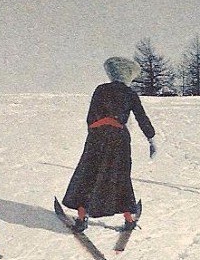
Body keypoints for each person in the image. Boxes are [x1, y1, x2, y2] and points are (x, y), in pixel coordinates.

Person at [62, 56, 156, 233]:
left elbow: (91, 117)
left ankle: (82, 218)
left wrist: (95, 134)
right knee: (120, 176)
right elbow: (141, 117)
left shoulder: (100, 89)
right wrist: (151, 138)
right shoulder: (130, 93)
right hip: (119, 138)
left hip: (97, 137)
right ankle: (128, 219)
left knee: (88, 174)